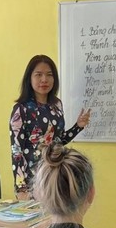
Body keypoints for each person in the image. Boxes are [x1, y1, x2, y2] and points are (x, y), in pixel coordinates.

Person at [10, 54, 91, 199]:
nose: (44, 80)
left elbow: (58, 141)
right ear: (29, 78)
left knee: (57, 219)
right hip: (33, 180)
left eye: (49, 75)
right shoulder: (21, 109)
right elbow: (17, 151)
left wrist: (77, 126)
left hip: (57, 174)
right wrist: (21, 188)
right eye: (38, 75)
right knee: (38, 221)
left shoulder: (57, 105)